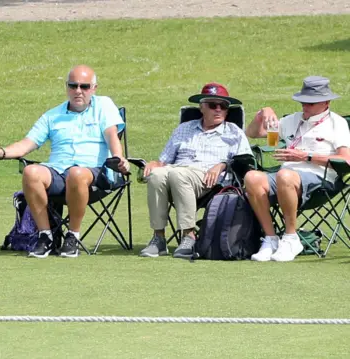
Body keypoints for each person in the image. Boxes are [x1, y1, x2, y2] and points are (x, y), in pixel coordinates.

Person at [0, 65, 130, 258]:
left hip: (95, 174)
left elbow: (112, 135)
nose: (78, 91)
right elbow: (27, 144)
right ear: (66, 87)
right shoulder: (52, 115)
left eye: (84, 86)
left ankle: (73, 237)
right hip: (58, 172)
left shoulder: (103, 105)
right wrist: (0, 152)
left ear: (94, 88)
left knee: (76, 173)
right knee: (31, 172)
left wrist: (119, 158)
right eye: (73, 85)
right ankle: (46, 237)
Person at [140, 83, 252, 259]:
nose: (219, 110)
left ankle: (189, 236)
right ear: (201, 107)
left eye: (223, 106)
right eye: (213, 105)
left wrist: (222, 164)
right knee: (156, 175)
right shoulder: (184, 128)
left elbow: (245, 161)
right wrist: (155, 163)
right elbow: (164, 160)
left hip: (208, 178)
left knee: (178, 174)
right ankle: (159, 238)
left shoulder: (234, 131)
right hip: (175, 171)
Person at [244, 76, 350, 262]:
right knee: (252, 177)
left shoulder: (337, 123)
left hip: (321, 180)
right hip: (286, 177)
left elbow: (346, 160)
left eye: (311, 102)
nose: (305, 106)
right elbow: (252, 133)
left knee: (284, 175)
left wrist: (306, 156)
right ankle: (270, 239)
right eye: (303, 101)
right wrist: (263, 113)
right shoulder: (292, 120)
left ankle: (291, 238)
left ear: (326, 102)